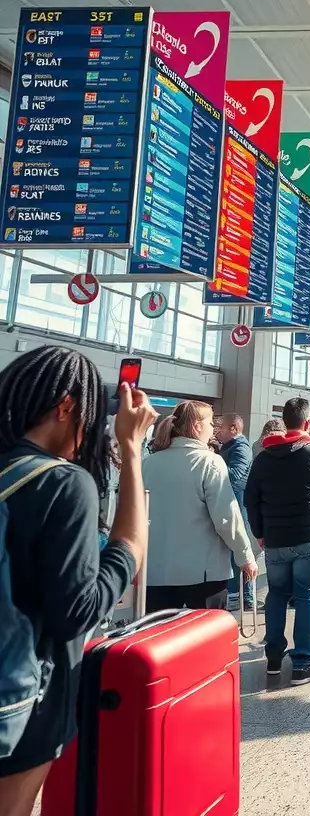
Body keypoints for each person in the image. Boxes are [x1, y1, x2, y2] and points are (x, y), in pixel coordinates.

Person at [0, 345, 156, 815]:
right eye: (88, 418)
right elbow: (78, 611)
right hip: (22, 703)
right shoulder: (63, 483)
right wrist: (130, 452)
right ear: (66, 408)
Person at [245, 397, 310, 682]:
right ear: (308, 422)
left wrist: (260, 533)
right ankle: (302, 662)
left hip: (275, 539)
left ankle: (273, 658)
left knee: (276, 594)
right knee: (306, 596)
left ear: (284, 420)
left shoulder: (263, 457)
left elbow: (250, 498)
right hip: (309, 537)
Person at [143, 401, 257, 613]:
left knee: (160, 639)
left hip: (156, 572)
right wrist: (245, 556)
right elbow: (226, 518)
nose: (213, 428)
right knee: (204, 640)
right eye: (210, 423)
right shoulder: (209, 462)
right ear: (196, 426)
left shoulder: (148, 463)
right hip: (203, 574)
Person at [214, 412, 256, 611]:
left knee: (240, 552)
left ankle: (245, 598)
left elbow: (235, 474)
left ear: (234, 428)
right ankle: (239, 596)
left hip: (238, 508)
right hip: (231, 506)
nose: (216, 430)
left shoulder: (241, 447)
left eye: (220, 426)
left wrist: (211, 466)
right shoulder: (228, 447)